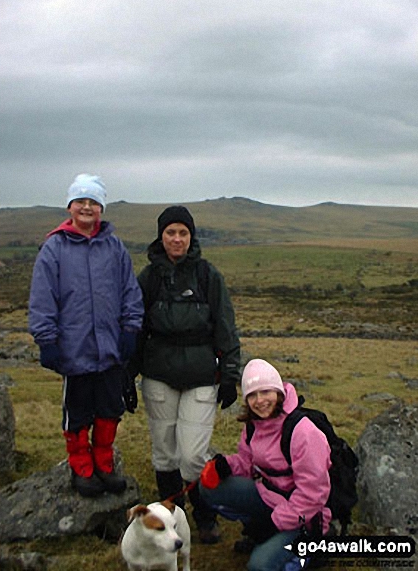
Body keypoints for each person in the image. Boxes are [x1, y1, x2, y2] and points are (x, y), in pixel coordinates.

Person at [129, 205, 240, 543]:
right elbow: (134, 330)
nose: (176, 239)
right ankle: (170, 517)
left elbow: (225, 326)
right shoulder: (147, 279)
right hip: (158, 377)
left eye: (183, 233)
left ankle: (205, 515)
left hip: (202, 377)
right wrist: (127, 375)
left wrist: (231, 373)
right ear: (161, 237)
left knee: (192, 457)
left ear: (191, 237)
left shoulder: (208, 276)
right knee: (164, 453)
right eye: (170, 233)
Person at [28, 173, 144, 498]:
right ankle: (81, 466)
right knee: (77, 412)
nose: (87, 207)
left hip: (110, 349)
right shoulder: (54, 248)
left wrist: (130, 329)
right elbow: (42, 297)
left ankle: (104, 464)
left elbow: (129, 292)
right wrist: (46, 340)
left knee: (110, 408)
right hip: (73, 351)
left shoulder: (115, 247)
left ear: (101, 208)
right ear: (70, 206)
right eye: (81, 201)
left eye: (93, 202)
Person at [200, 359, 332, 571]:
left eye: (265, 392)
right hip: (271, 500)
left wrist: (274, 523)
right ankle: (264, 532)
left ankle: (313, 547)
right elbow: (247, 462)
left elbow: (313, 495)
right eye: (252, 395)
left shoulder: (304, 433)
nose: (259, 401)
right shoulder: (254, 425)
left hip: (304, 517)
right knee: (209, 487)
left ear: (278, 391)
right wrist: (226, 465)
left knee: (259, 567)